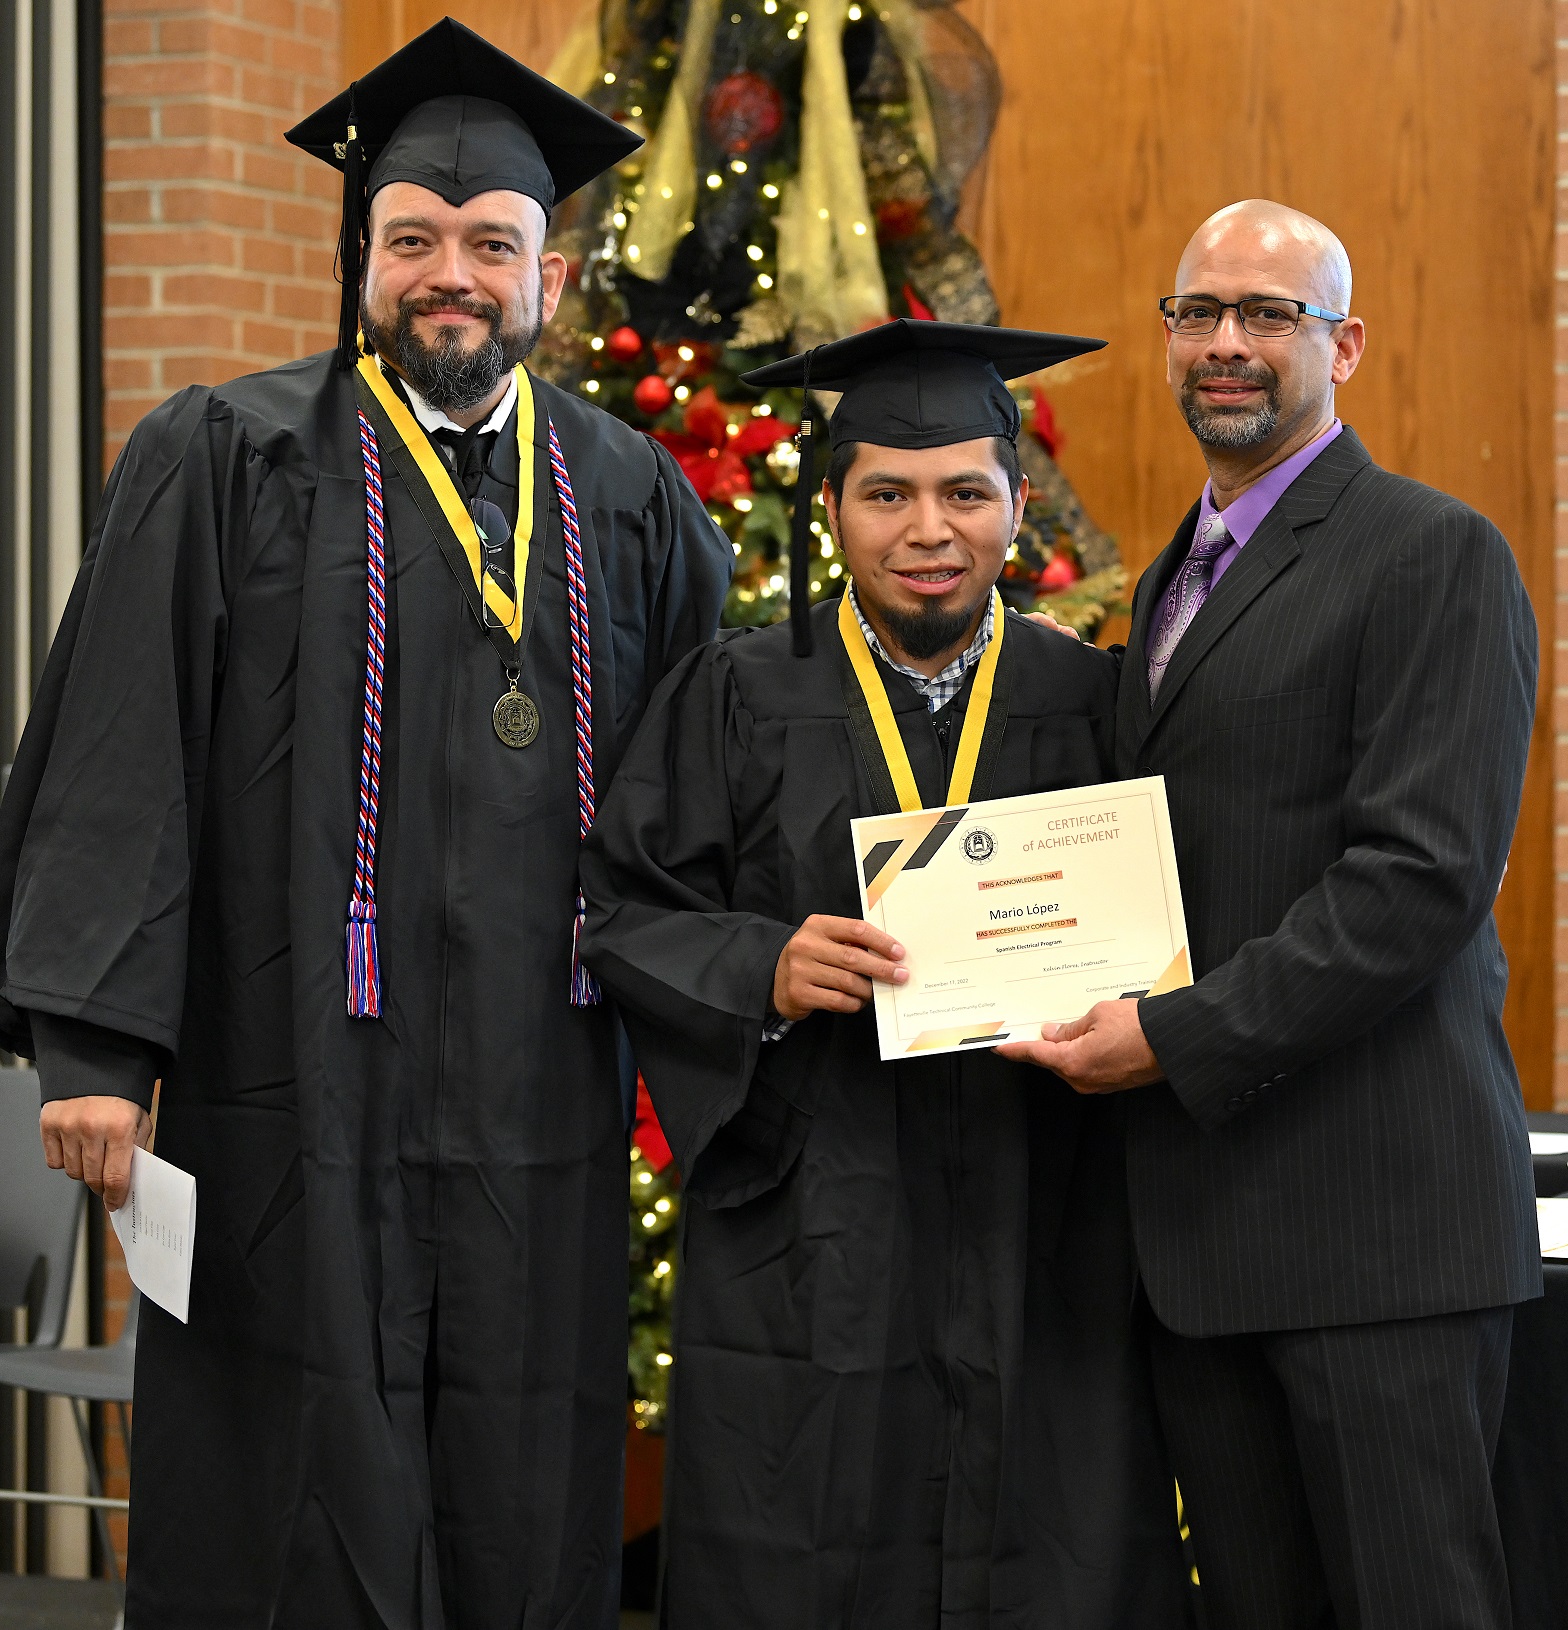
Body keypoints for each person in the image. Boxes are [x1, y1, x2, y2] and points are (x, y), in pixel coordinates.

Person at [0, 18, 731, 1628]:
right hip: (289, 1081)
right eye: (412, 239)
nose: (448, 274)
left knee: (525, 1478)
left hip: (544, 1086)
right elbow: (121, 741)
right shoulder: (227, 454)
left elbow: (709, 786)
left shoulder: (630, 493)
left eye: (490, 242)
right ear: (362, 256)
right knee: (290, 1476)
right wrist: (100, 1055)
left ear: (548, 274)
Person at [580, 320, 1188, 1630]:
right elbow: (619, 906)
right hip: (816, 1212)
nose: (930, 527)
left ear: (1017, 509)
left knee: (1051, 1539)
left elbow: (1178, 916)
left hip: (1044, 1198)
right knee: (804, 1545)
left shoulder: (1092, 696)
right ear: (836, 508)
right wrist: (763, 960)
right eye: (889, 493)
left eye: (966, 491)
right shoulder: (739, 693)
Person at [1000, 200, 1540, 1630]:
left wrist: (1169, 1037)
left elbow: (1416, 880)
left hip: (1375, 1236)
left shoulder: (1435, 554)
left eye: (1269, 314)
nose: (1227, 343)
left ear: (1343, 344)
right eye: (1199, 314)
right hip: (1205, 1245)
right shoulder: (1170, 580)